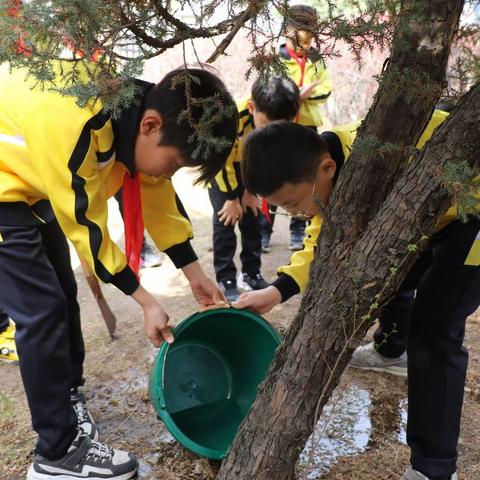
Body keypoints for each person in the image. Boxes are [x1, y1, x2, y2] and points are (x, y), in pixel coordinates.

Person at [0, 63, 237, 480]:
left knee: (61, 292)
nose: (169, 173)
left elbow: (155, 192)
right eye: (173, 163)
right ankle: (56, 456)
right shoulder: (74, 120)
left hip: (28, 181)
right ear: (150, 125)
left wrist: (193, 271)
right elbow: (87, 229)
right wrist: (145, 300)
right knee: (42, 310)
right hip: (6, 186)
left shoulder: (136, 113)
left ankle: (67, 396)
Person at [236, 113, 471, 480]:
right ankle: (391, 350)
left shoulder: (382, 148)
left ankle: (434, 469)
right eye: (285, 209)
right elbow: (320, 243)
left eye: (294, 203)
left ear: (326, 167)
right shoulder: (326, 175)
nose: (296, 213)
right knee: (382, 269)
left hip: (474, 214)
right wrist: (276, 291)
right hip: (437, 219)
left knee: (435, 325)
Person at [208, 76, 300, 301]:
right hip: (222, 170)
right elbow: (221, 161)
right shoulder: (228, 119)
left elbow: (262, 158)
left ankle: (250, 272)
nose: (275, 132)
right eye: (269, 124)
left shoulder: (279, 124)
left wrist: (250, 192)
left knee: (254, 217)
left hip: (250, 169)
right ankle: (226, 277)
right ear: (251, 107)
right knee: (225, 221)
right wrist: (232, 198)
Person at [259, 4, 332, 252]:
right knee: (275, 176)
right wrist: (289, 96)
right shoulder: (274, 58)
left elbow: (325, 88)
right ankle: (264, 231)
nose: (306, 45)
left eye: (310, 38)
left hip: (308, 127)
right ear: (288, 33)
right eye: (301, 38)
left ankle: (298, 231)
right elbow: (267, 90)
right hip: (280, 125)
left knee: (304, 178)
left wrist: (304, 94)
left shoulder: (316, 59)